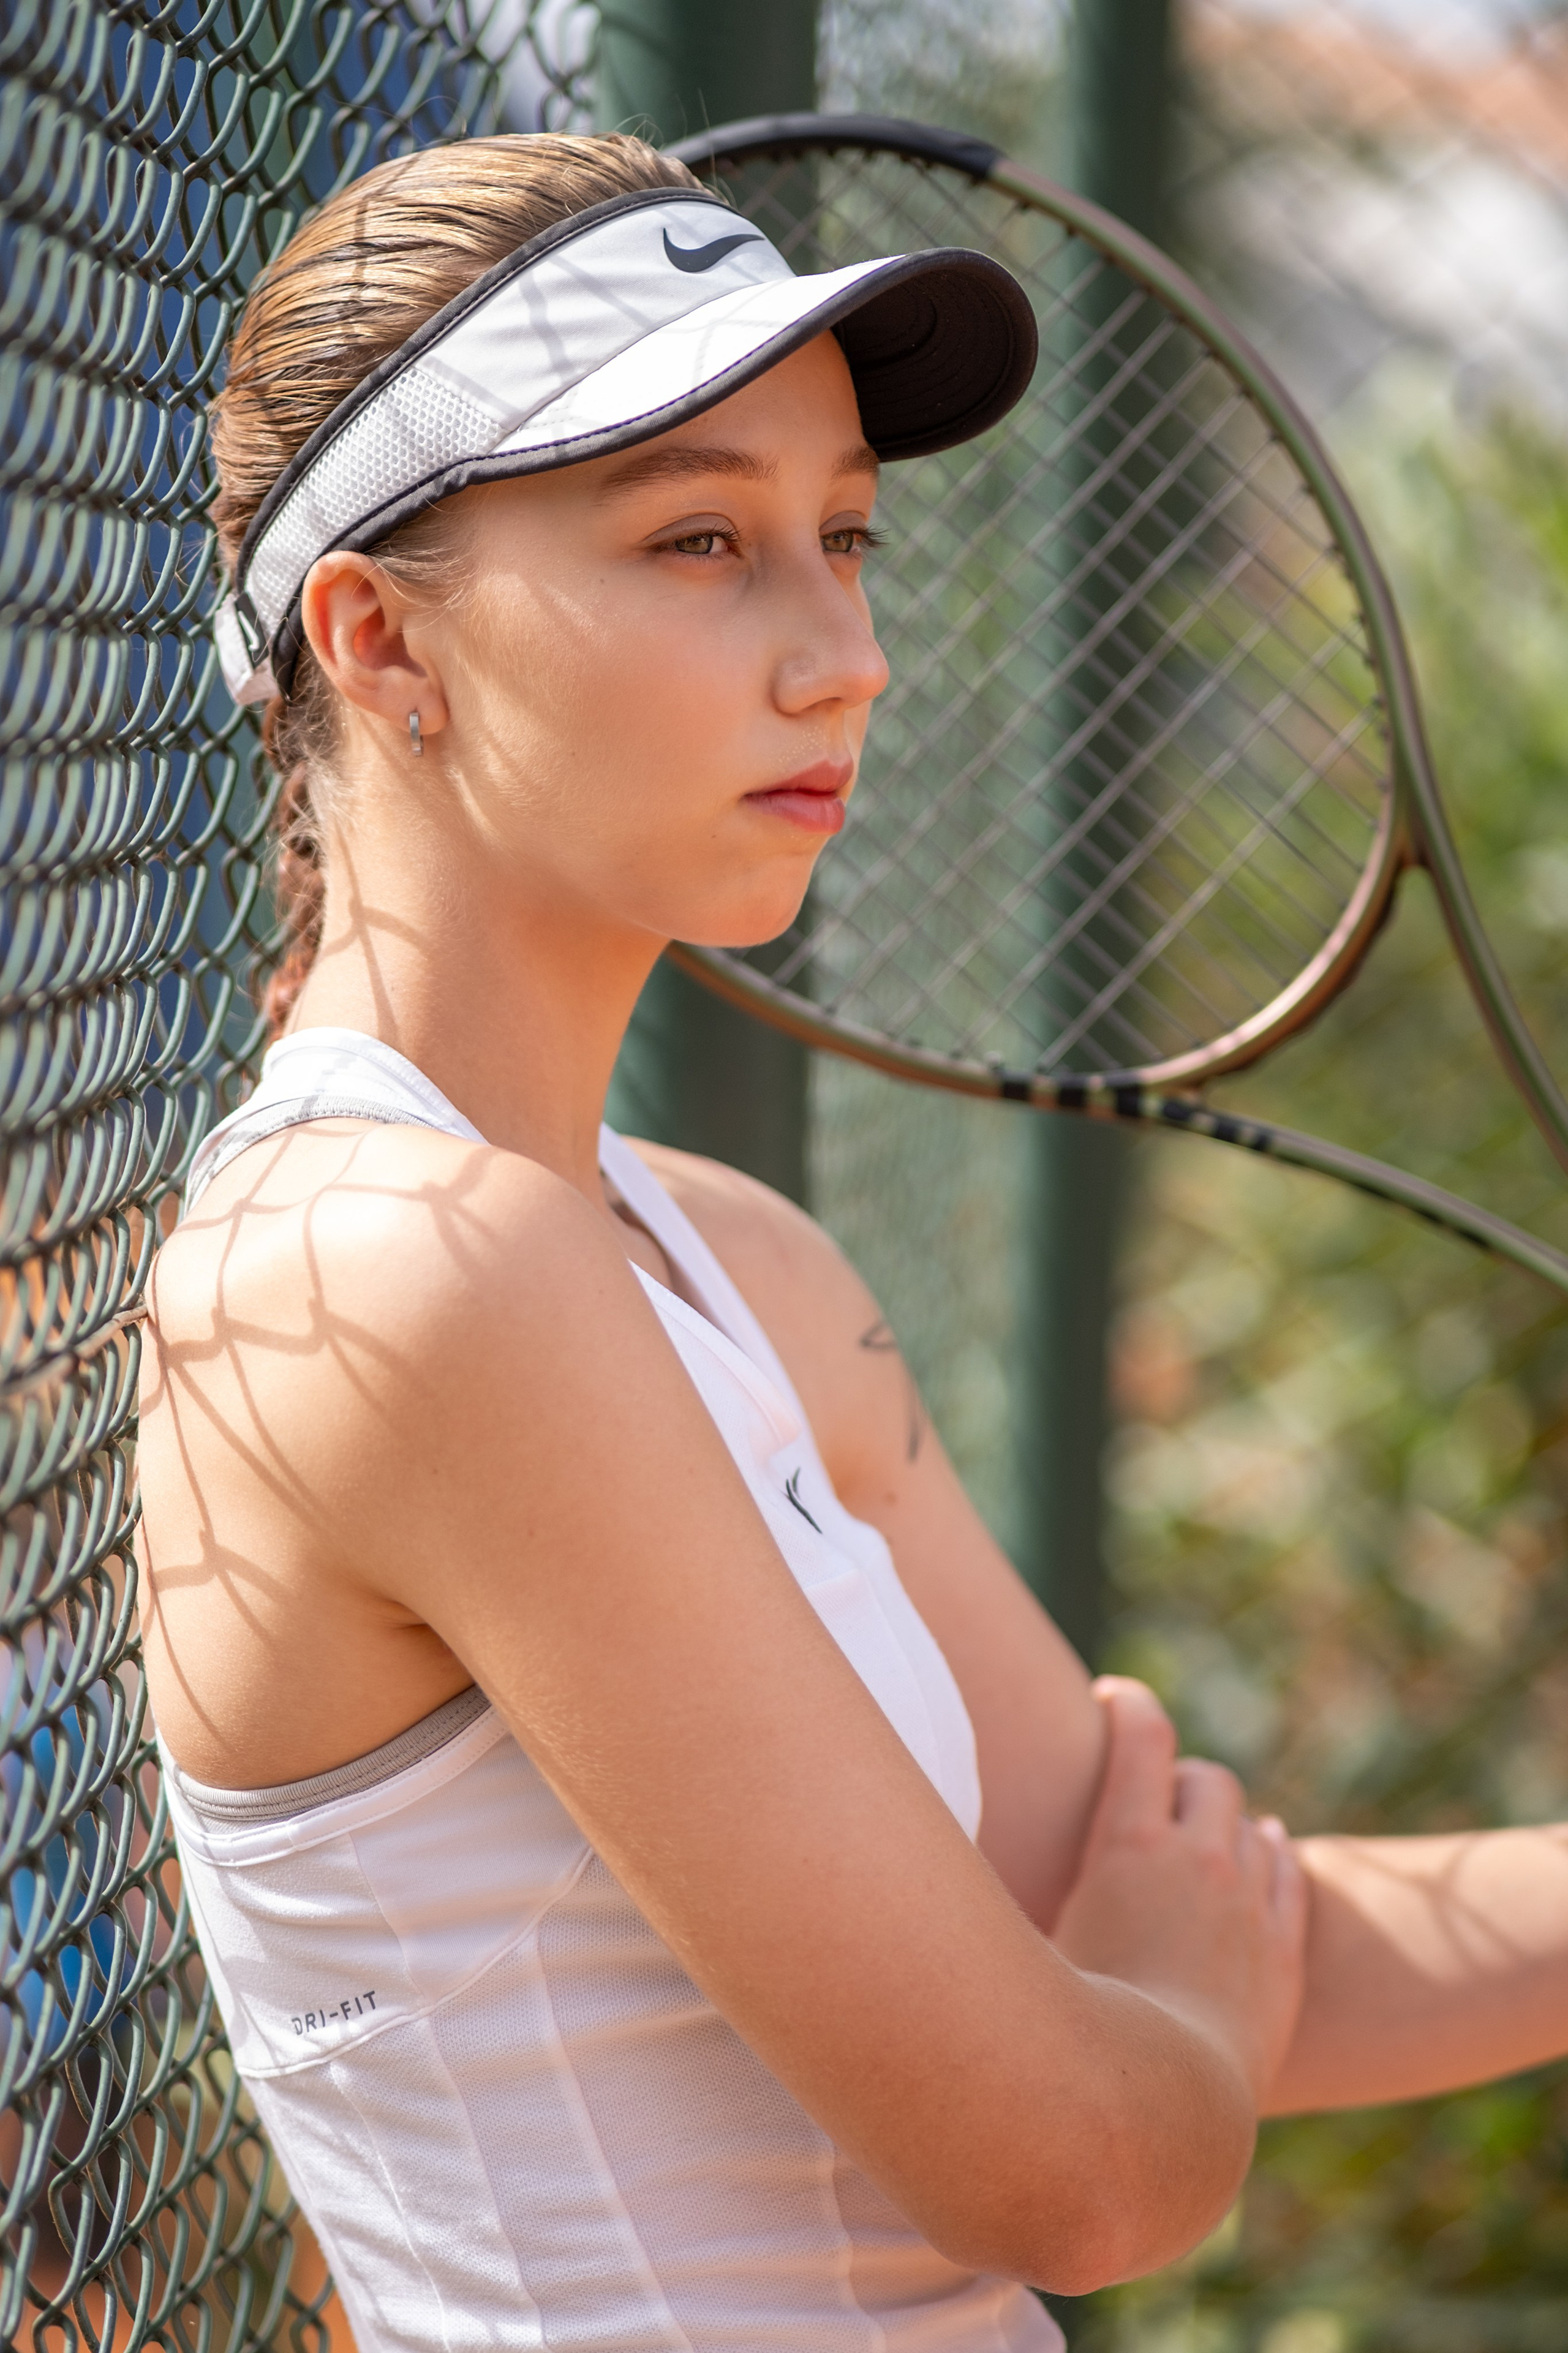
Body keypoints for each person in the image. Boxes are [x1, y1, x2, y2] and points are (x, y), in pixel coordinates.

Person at [136, 131, 1305, 2353]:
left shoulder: (711, 1257)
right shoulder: (391, 1270)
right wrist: (1181, 2008)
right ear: (378, 639)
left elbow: (1154, 1879)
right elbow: (1077, 2145)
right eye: (702, 539)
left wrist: (1181, 1974)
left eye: (843, 536)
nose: (845, 653)